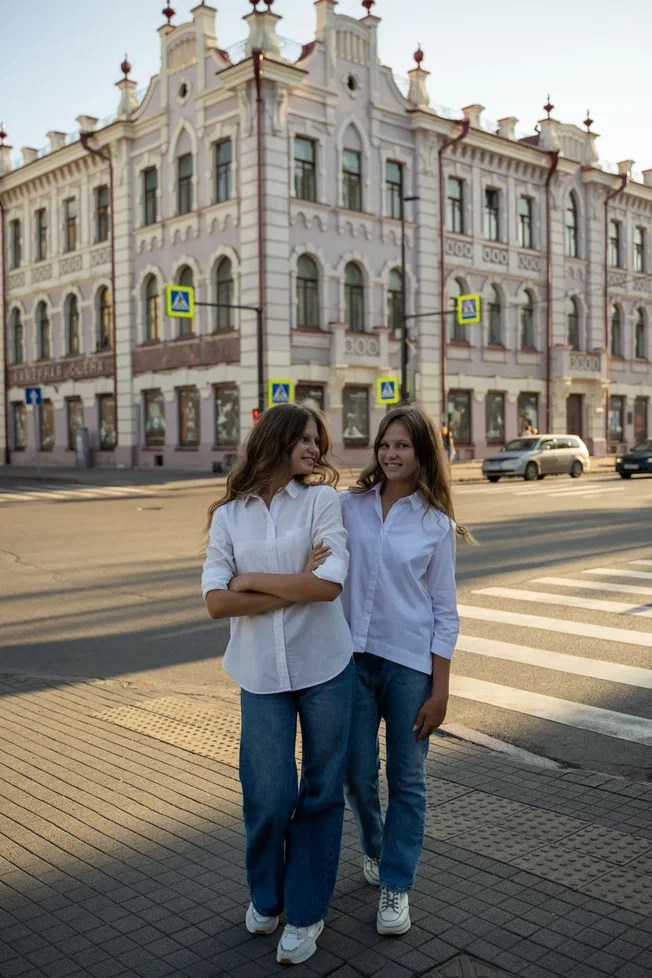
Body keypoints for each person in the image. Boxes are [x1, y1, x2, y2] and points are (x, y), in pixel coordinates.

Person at [201, 403, 355, 967]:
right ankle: (267, 896)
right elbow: (217, 601)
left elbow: (330, 585)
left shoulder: (322, 501)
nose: (315, 449)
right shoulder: (228, 516)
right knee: (267, 795)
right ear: (276, 439)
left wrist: (253, 579)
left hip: (325, 666)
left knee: (320, 793)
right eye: (305, 439)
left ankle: (308, 911)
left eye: (319, 441)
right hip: (259, 671)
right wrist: (296, 582)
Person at [339, 405, 472, 936]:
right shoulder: (350, 507)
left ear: (422, 455)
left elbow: (445, 612)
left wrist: (441, 693)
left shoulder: (435, 524)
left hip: (410, 665)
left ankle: (396, 884)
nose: (391, 455)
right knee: (355, 771)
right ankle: (375, 846)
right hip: (352, 660)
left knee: (407, 779)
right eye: (384, 445)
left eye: (402, 447)